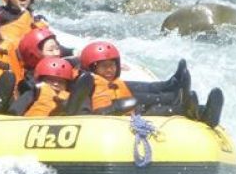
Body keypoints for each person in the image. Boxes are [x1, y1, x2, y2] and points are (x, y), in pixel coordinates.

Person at [79, 41, 224, 126]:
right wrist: (119, 106)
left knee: (145, 101)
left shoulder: (111, 82)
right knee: (156, 109)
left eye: (113, 65)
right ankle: (182, 105)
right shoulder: (89, 85)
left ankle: (205, 111)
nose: (110, 70)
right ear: (92, 68)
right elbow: (95, 112)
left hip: (131, 111)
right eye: (104, 66)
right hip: (120, 118)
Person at [18, 56, 91, 117]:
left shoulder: (72, 97)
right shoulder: (35, 92)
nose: (56, 84)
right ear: (41, 80)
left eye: (61, 82)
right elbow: (15, 111)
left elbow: (84, 116)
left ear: (67, 85)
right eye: (51, 80)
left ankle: (62, 110)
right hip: (28, 126)